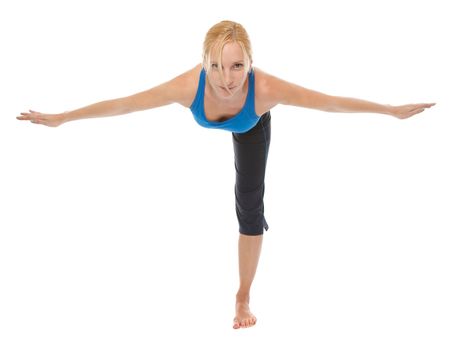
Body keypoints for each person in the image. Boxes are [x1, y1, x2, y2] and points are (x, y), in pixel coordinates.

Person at [16, 20, 435, 329]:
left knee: (249, 206)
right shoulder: (187, 86)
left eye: (237, 67)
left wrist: (390, 111)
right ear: (204, 64)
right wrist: (63, 118)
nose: (227, 79)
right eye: (217, 67)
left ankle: (242, 298)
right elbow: (126, 104)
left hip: (251, 126)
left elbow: (330, 103)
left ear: (251, 64)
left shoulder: (265, 89)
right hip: (218, 113)